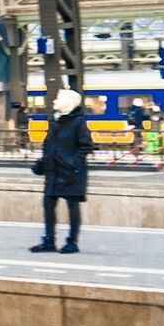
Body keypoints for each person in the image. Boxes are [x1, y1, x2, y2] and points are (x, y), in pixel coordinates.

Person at [33, 88, 95, 253]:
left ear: (68, 102)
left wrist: (73, 162)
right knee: (48, 206)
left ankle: (72, 242)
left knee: (72, 208)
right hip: (53, 171)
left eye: (58, 98)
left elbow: (86, 146)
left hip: (71, 173)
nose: (54, 101)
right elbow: (49, 145)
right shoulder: (55, 121)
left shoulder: (78, 122)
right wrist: (43, 161)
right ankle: (49, 240)